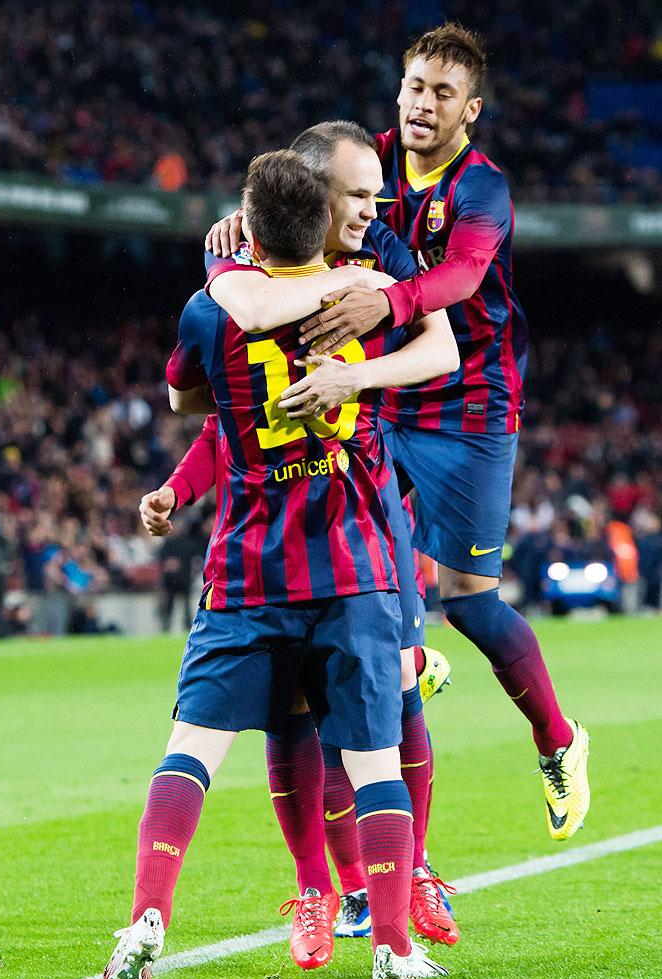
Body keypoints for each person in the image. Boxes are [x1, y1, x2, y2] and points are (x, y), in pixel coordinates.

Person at [206, 25, 590, 843]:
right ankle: (396, 865)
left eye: (442, 93)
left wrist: (391, 300)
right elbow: (289, 187)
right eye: (415, 86)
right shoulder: (365, 161)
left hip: (470, 404)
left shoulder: (481, 190)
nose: (423, 103)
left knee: (474, 605)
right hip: (385, 395)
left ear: (470, 111)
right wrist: (232, 225)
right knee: (369, 594)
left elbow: (462, 277)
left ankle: (558, 739)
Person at [104, 150, 455, 979]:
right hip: (354, 561)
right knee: (373, 761)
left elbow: (188, 397)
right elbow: (436, 346)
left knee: (190, 749)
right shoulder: (361, 295)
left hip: (251, 568)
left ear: (248, 229)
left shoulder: (207, 308)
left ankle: (149, 911)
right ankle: (392, 947)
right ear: (327, 218)